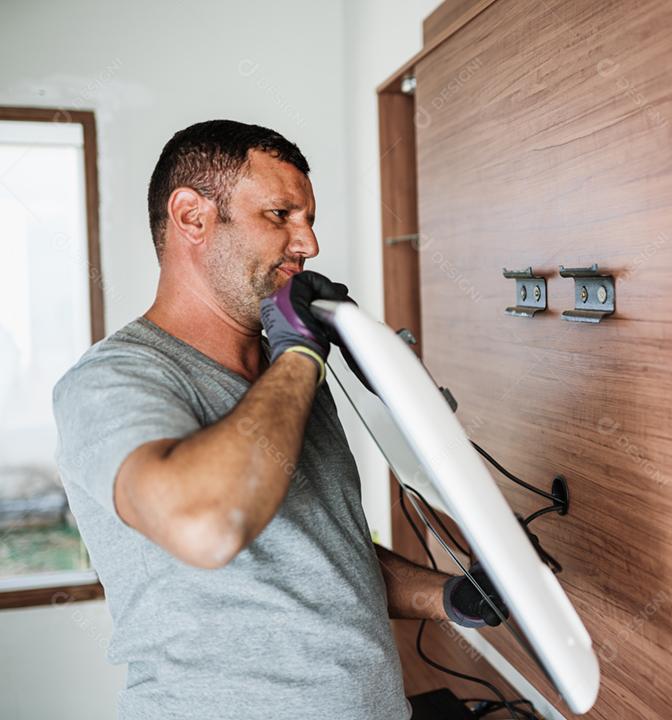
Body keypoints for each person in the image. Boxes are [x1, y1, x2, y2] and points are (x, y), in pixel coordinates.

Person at [52, 120, 504, 719]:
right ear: (192, 217)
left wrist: (445, 597)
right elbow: (208, 525)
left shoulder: (290, 376)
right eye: (281, 215)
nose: (308, 244)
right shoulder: (111, 381)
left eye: (309, 219)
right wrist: (299, 355)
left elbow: (321, 554)